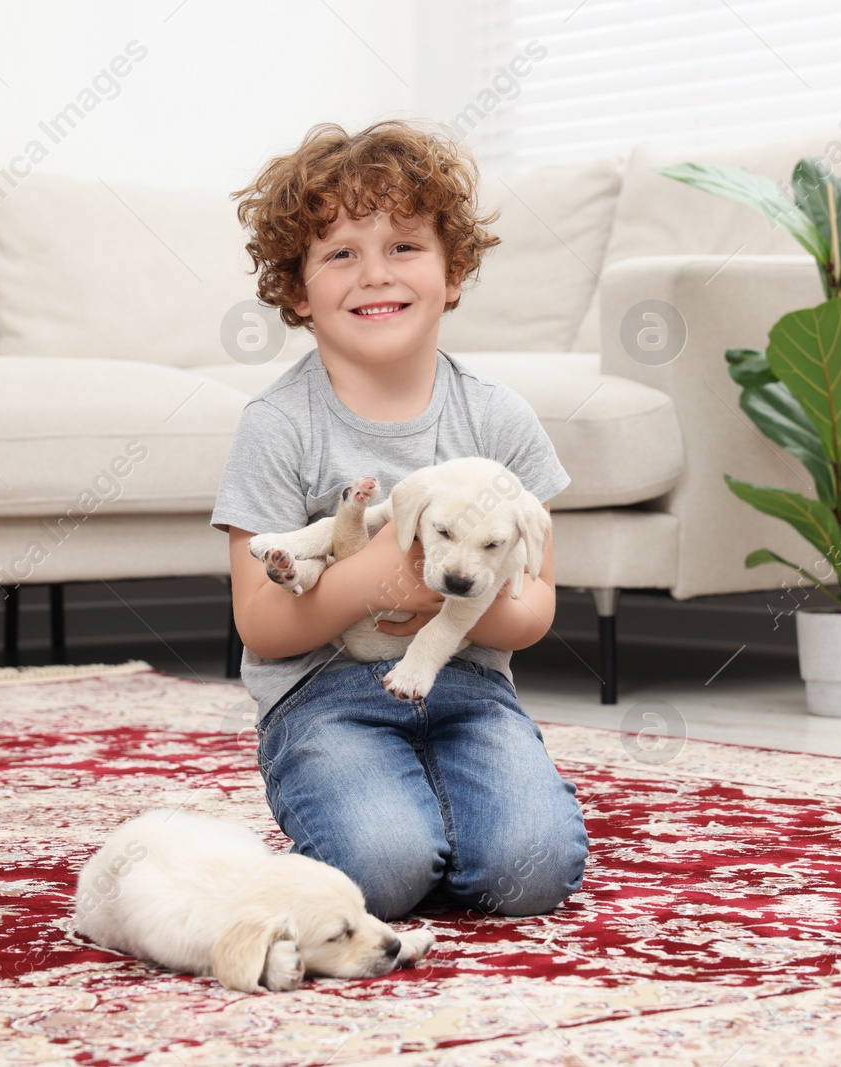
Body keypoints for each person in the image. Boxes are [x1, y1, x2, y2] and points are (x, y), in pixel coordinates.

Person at [210, 118, 588, 920]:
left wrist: (459, 599)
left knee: (529, 874)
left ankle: (456, 815)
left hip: (471, 689)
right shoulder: (278, 426)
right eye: (341, 253)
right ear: (295, 289)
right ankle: (396, 827)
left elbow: (537, 601)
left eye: (405, 247)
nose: (374, 274)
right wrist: (375, 581)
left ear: (454, 274)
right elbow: (260, 623)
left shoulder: (500, 419)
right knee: (382, 872)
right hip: (323, 695)